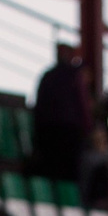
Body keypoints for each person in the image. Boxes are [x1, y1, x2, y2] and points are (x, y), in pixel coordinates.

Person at [31, 41, 89, 180]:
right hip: (68, 134)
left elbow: (38, 107)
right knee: (68, 176)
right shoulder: (74, 77)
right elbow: (83, 105)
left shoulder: (48, 76)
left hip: (50, 134)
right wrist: (87, 128)